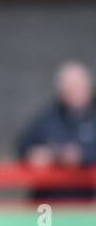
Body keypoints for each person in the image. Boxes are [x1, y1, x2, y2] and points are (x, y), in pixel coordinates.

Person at [16, 60, 96, 202]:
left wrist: (82, 156)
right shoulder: (47, 118)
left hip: (84, 202)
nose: (74, 92)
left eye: (78, 87)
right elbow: (22, 145)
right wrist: (34, 154)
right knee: (44, 224)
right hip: (47, 201)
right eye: (69, 88)